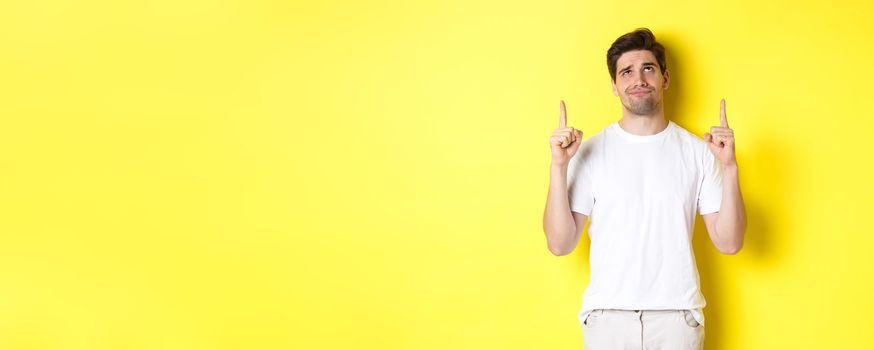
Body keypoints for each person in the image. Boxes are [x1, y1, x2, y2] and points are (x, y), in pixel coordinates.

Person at [541, 28, 747, 349]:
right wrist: (558, 166)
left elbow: (730, 242)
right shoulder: (589, 151)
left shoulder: (698, 152)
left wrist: (730, 166)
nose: (638, 79)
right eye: (626, 72)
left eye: (648, 68)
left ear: (664, 78)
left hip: (676, 319)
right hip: (608, 318)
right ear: (614, 85)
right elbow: (560, 243)